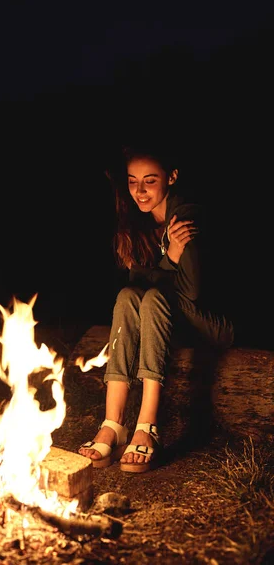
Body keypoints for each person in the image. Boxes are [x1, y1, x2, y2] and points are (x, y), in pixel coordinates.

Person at [78, 146, 234, 473]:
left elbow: (191, 291)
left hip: (212, 325)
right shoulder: (139, 220)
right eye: (133, 181)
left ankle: (147, 426)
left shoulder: (185, 215)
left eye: (150, 180)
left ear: (172, 177)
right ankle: (114, 423)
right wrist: (170, 259)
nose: (140, 190)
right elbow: (136, 277)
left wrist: (170, 261)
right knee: (126, 296)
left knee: (150, 298)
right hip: (171, 318)